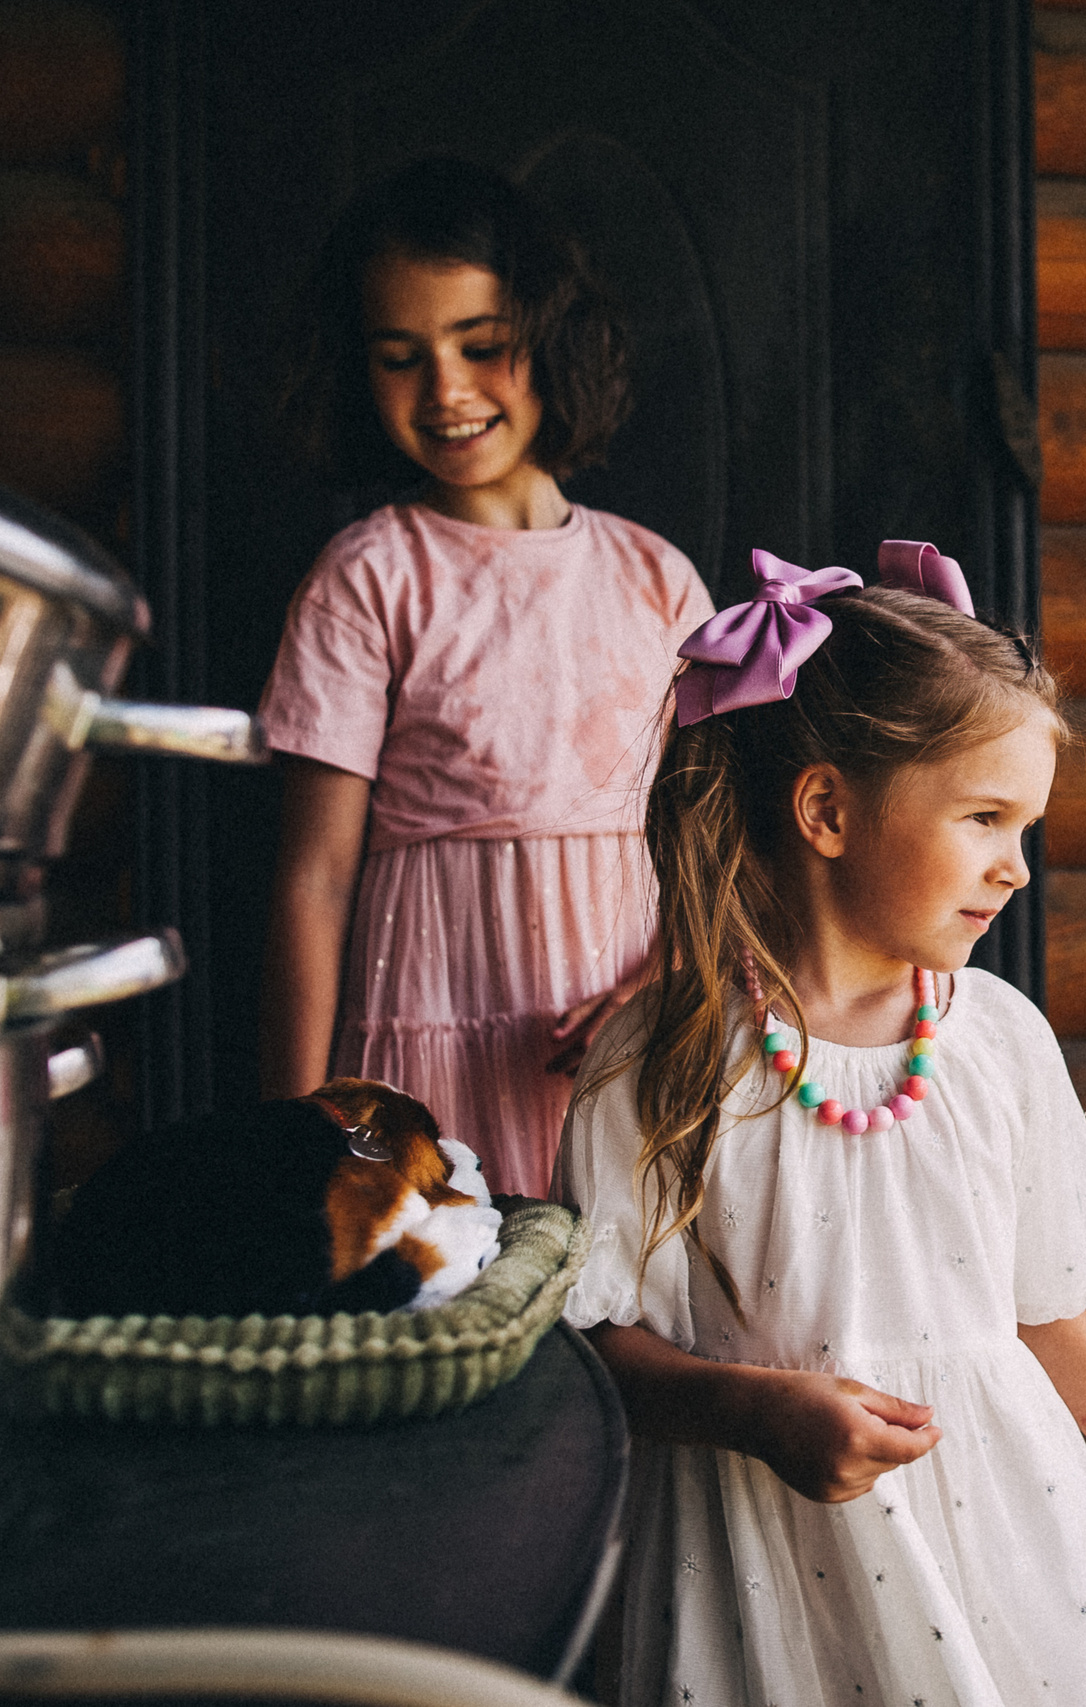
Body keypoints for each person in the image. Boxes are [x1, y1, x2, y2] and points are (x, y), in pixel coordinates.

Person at [562, 542, 1086, 1706]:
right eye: (985, 818)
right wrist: (749, 1408)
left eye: (1024, 829)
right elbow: (606, 1346)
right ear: (827, 808)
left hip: (1002, 1533)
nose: (1016, 869)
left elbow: (1037, 1310)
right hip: (768, 1553)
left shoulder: (998, 1043)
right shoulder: (661, 1060)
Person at [257, 158, 712, 1197]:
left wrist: (666, 975)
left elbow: (710, 828)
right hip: (430, 1038)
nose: (448, 391)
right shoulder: (368, 578)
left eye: (484, 347)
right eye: (400, 358)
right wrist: (285, 1136)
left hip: (623, 1041)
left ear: (549, 344)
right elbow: (313, 877)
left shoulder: (655, 578)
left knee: (622, 1319)